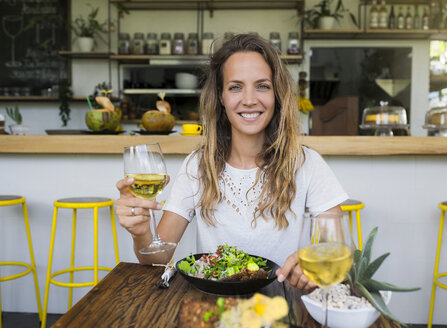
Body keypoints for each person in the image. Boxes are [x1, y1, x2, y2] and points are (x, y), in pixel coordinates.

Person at [116, 33, 348, 291]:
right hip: (213, 311)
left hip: (285, 308)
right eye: (236, 87)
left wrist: (315, 261)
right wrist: (141, 234)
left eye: (262, 85)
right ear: (221, 96)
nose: (249, 99)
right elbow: (158, 258)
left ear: (277, 94)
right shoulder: (197, 166)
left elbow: (336, 249)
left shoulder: (306, 163)